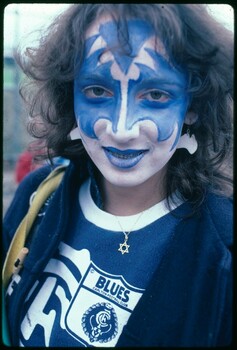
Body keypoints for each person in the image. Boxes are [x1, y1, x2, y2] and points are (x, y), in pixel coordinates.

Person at [2, 4, 233, 347]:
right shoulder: (38, 194)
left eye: (155, 94)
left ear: (193, 108)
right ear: (71, 96)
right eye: (98, 91)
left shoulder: (223, 250)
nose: (122, 129)